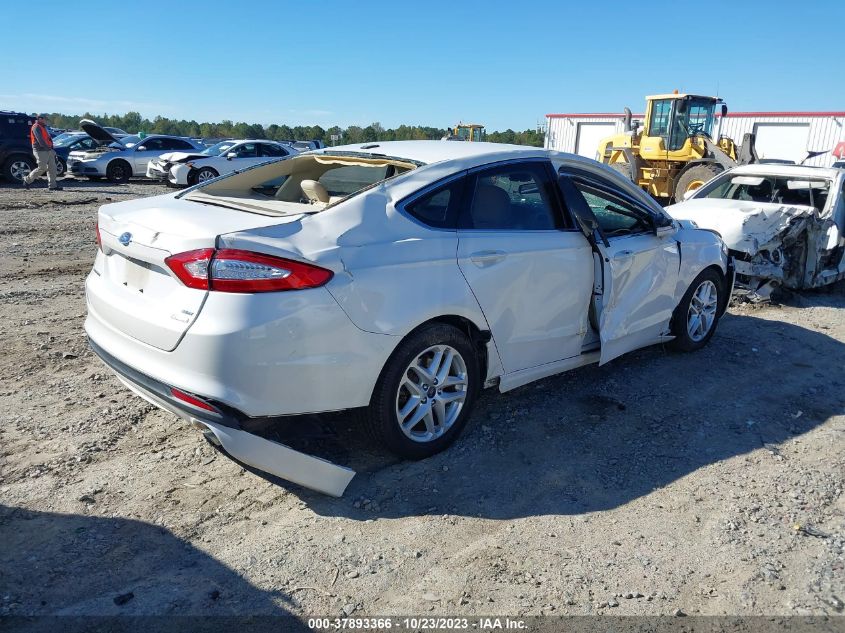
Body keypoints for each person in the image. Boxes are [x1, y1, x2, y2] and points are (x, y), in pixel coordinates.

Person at [23, 114, 62, 191]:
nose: (46, 121)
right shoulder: (36, 127)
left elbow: (47, 139)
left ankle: (52, 186)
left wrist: (51, 149)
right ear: (40, 119)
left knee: (52, 168)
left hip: (48, 149)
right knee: (42, 168)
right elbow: (40, 140)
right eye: (45, 119)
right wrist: (48, 148)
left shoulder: (43, 127)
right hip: (40, 150)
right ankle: (27, 180)